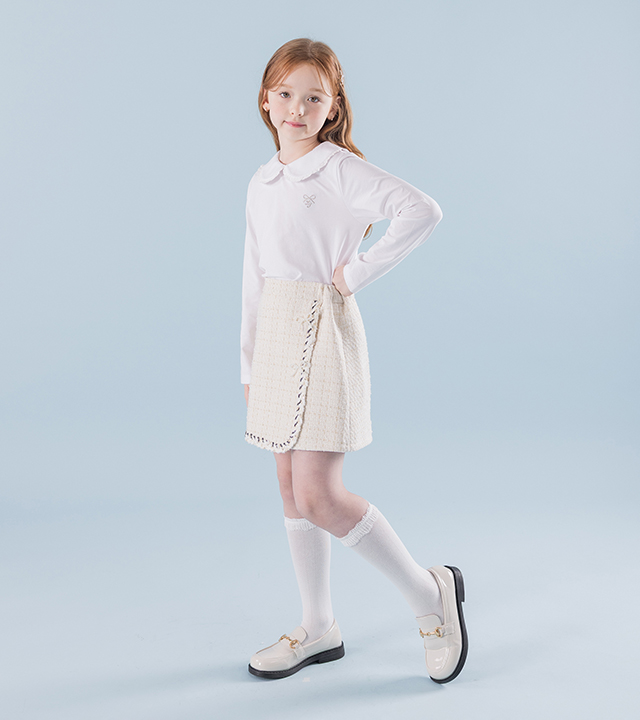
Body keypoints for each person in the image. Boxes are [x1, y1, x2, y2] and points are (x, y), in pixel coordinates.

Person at [240, 37, 468, 684]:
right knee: (290, 489)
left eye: (313, 98)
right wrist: (248, 367)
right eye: (285, 94)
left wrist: (355, 273)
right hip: (275, 333)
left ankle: (429, 595)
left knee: (319, 494)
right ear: (265, 99)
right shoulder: (262, 181)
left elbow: (422, 210)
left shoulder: (337, 169)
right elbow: (253, 278)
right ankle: (318, 626)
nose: (297, 108)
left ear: (332, 107)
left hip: (322, 331)